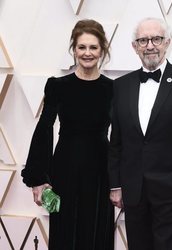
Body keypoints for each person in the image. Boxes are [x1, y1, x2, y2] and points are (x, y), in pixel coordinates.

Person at [108, 17, 172, 250]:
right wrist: (115, 185)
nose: (150, 45)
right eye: (143, 40)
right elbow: (116, 141)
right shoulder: (121, 86)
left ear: (167, 43)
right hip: (133, 192)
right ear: (134, 47)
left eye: (156, 39)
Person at [21, 19, 114, 250]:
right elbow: (44, 127)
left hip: (100, 172)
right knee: (65, 234)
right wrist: (38, 178)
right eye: (82, 47)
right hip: (65, 170)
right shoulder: (58, 86)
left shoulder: (113, 89)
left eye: (93, 47)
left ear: (102, 49)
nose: (87, 53)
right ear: (74, 49)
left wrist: (121, 180)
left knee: (96, 235)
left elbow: (122, 135)